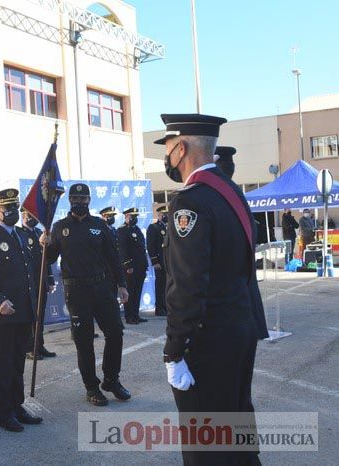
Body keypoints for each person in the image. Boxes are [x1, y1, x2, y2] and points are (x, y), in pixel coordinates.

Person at [154, 113, 268, 465]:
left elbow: (187, 285)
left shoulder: (190, 202)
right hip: (239, 328)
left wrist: (174, 350)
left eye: (169, 148)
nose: (167, 158)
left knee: (205, 442)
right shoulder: (230, 191)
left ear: (182, 147)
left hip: (208, 339)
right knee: (236, 429)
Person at [41, 183, 131, 407]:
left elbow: (113, 257)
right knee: (84, 341)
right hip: (76, 291)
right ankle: (91, 386)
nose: (79, 203)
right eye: (75, 200)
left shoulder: (100, 226)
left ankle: (111, 379)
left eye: (83, 200)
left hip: (102, 288)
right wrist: (45, 244)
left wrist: (121, 284)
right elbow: (50, 259)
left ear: (89, 201)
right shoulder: (60, 227)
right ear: (69, 201)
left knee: (115, 333)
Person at [0, 189, 43, 432]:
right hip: (2, 313)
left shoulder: (22, 234)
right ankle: (5, 412)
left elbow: (27, 271)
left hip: (23, 310)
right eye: (7, 209)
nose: (13, 212)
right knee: (3, 364)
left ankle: (17, 405)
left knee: (17, 362)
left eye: (15, 208)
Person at [18, 207, 56, 360]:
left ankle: (39, 345)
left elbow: (45, 260)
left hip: (41, 281)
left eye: (34, 215)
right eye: (28, 215)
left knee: (40, 315)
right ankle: (30, 348)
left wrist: (50, 279)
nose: (31, 218)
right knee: (30, 316)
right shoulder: (19, 233)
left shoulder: (39, 233)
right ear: (23, 215)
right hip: (28, 283)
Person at [117, 207, 149, 324]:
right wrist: (127, 265)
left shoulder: (137, 229)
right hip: (130, 267)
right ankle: (129, 316)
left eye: (136, 217)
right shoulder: (122, 230)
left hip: (140, 266)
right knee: (130, 291)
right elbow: (122, 250)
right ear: (126, 217)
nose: (135, 219)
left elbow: (142, 248)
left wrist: (145, 264)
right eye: (132, 217)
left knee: (138, 291)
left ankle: (135, 314)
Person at [146, 206, 167, 316]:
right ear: (159, 215)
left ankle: (167, 306)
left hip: (169, 262)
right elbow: (151, 246)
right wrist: (155, 261)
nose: (166, 216)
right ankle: (160, 308)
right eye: (164, 214)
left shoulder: (169, 227)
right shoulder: (153, 227)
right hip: (160, 261)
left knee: (169, 285)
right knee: (161, 285)